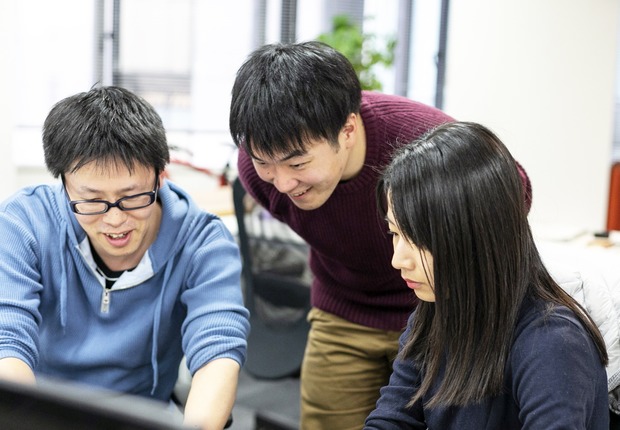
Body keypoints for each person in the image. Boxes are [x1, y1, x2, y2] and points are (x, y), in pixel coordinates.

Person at [229, 41, 532, 429]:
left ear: (348, 130)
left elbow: (514, 189)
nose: (283, 182)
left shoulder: (417, 137)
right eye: (265, 162)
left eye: (298, 163)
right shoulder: (259, 173)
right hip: (343, 308)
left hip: (436, 312)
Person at [0, 86, 250, 430]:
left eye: (132, 197)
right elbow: (7, 341)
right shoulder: (23, 223)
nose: (115, 219)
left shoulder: (202, 242)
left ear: (160, 175)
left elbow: (218, 352)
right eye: (92, 200)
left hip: (142, 417)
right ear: (64, 183)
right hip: (44, 414)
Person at [365, 121, 609, 429]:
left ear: (477, 237)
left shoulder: (552, 344)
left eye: (419, 239)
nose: (398, 260)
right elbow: (392, 419)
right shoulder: (434, 315)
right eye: (395, 233)